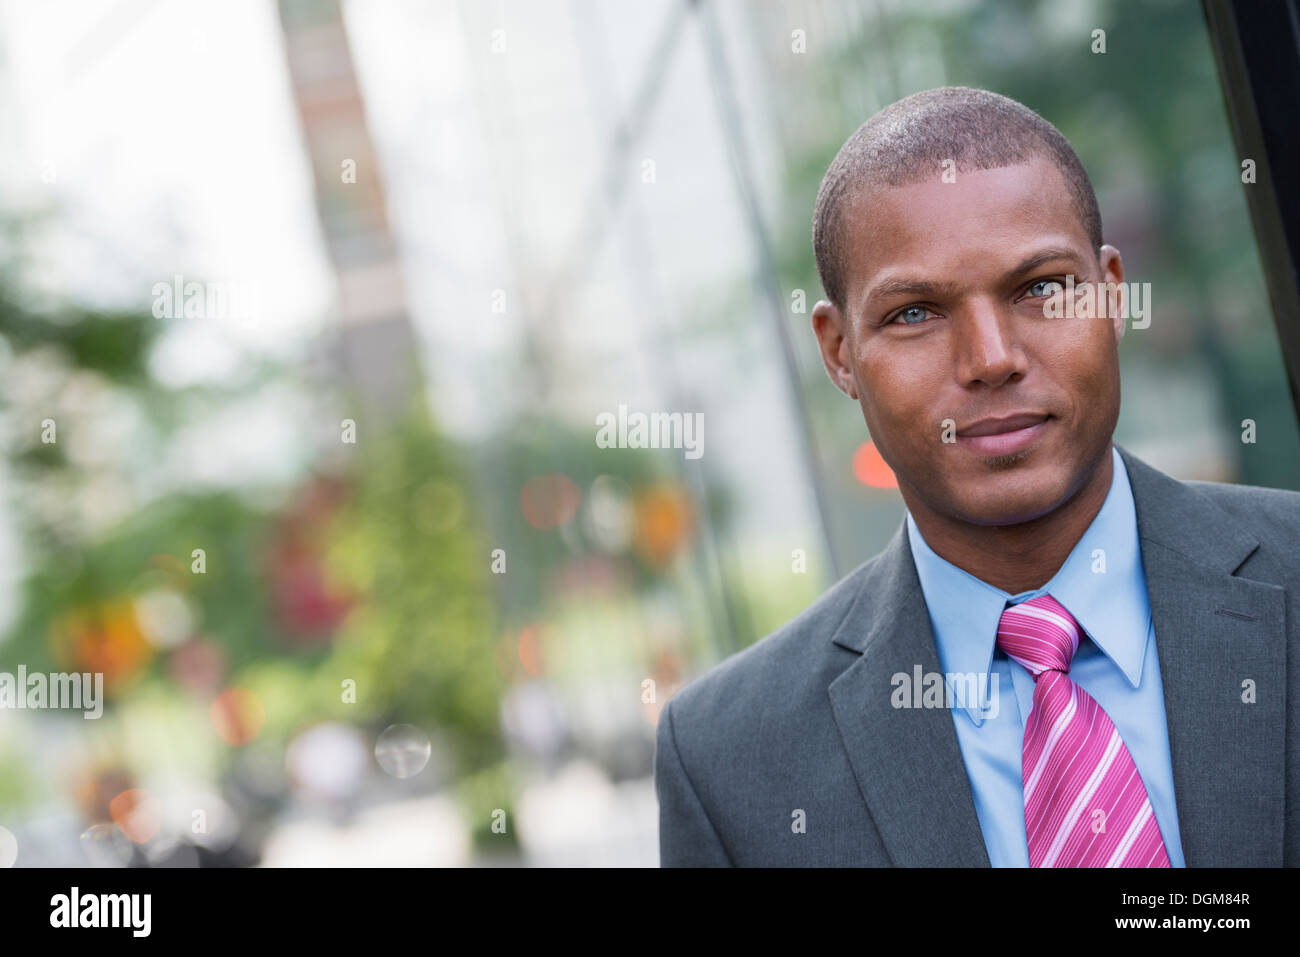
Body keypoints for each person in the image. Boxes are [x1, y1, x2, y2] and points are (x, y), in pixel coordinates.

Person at [654, 86, 1300, 867]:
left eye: (1040, 289)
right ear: (838, 353)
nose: (992, 357)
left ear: (1113, 294)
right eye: (916, 313)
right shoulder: (731, 761)